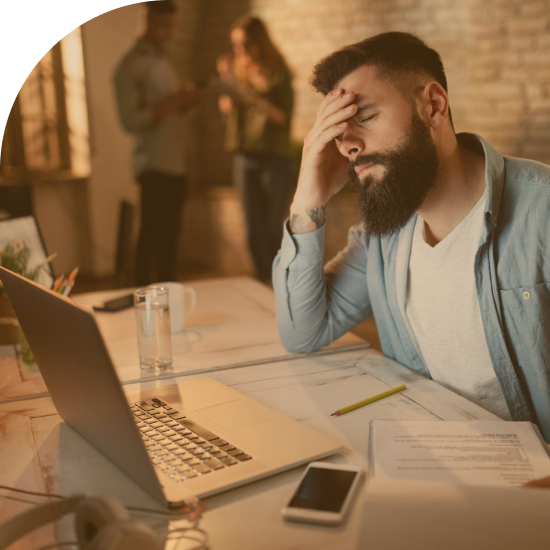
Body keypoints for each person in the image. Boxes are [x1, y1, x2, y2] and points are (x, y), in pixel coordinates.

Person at [272, 32, 550, 450]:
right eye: (337, 132)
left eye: (363, 116)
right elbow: (302, 331)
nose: (347, 145)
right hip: (433, 461)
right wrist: (307, 200)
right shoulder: (383, 238)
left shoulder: (542, 212)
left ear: (433, 106)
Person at [113, 0, 203, 286]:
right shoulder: (129, 66)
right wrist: (177, 100)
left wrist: (185, 102)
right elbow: (130, 121)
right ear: (146, 20)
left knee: (170, 237)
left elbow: (168, 109)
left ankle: (170, 297)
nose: (169, 32)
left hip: (177, 160)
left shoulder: (161, 60)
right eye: (164, 24)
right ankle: (143, 298)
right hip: (154, 163)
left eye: (172, 25)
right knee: (151, 235)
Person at [217, 16, 294, 282]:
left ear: (260, 42)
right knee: (252, 228)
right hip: (244, 156)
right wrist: (226, 82)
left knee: (273, 227)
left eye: (246, 44)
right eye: (236, 45)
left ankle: (280, 282)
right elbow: (226, 109)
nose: (241, 51)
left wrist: (251, 99)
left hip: (274, 158)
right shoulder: (237, 73)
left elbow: (283, 117)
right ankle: (263, 282)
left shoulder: (279, 73)